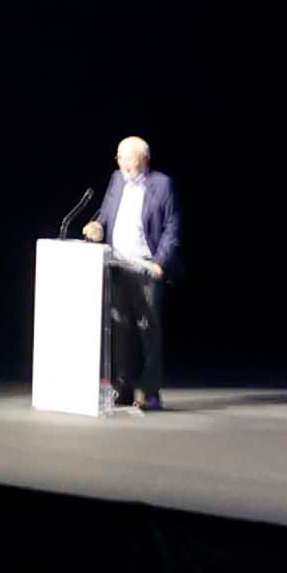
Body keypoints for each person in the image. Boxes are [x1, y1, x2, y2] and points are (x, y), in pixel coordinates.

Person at [74, 131, 181, 407]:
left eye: (127, 158)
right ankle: (122, 389)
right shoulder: (116, 179)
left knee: (148, 331)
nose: (122, 163)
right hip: (117, 266)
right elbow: (105, 215)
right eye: (119, 158)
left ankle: (151, 392)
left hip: (146, 268)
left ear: (144, 159)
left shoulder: (162, 184)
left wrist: (160, 262)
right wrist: (96, 227)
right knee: (120, 330)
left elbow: (172, 228)